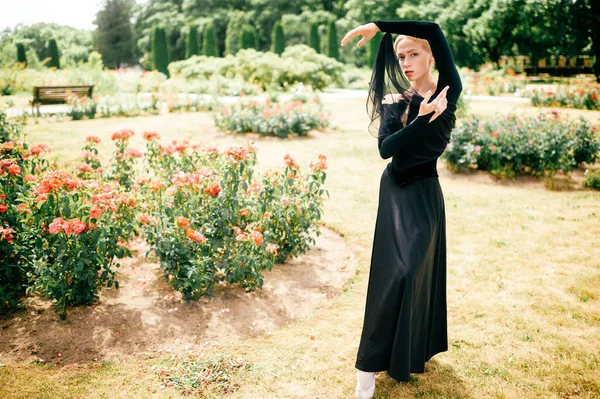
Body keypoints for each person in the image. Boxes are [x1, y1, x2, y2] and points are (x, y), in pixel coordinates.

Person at [340, 19, 463, 399]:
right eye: (401, 55)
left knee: (419, 273)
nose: (406, 62)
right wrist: (424, 117)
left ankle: (410, 351)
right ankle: (367, 370)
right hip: (396, 190)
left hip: (427, 192)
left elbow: (433, 27)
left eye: (413, 54)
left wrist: (379, 25)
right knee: (396, 274)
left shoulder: (449, 90)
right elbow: (386, 149)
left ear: (430, 56)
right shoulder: (395, 102)